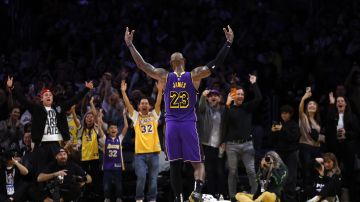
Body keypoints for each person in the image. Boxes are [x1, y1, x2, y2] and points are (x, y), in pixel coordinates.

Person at [124, 25, 234, 202]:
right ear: (183, 61)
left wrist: (130, 45)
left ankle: (185, 195)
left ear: (173, 61)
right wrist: (228, 43)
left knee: (179, 163)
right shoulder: (194, 75)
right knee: (192, 163)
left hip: (176, 125)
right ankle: (186, 195)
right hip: (183, 124)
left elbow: (142, 65)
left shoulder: (165, 76)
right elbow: (215, 63)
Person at [6, 76, 94, 175]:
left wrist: (86, 89)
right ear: (41, 99)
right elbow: (23, 101)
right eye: (46, 95)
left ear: (52, 98)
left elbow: (74, 100)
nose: (48, 96)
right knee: (40, 170)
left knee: (58, 169)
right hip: (41, 145)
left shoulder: (59, 108)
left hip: (55, 144)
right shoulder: (36, 109)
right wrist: (12, 88)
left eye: (50, 95)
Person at [121, 80, 163, 202]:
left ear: (149, 106)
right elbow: (128, 105)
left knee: (153, 178)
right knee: (141, 178)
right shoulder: (135, 117)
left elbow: (158, 104)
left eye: (146, 103)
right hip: (140, 154)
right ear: (139, 106)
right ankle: (139, 198)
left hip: (154, 153)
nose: (144, 104)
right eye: (142, 103)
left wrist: (160, 90)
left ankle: (152, 199)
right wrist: (123, 92)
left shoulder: (154, 116)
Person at [221, 75, 262, 197]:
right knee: (232, 172)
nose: (240, 96)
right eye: (238, 94)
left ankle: (255, 196)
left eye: (242, 94)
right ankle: (232, 197)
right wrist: (227, 105)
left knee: (251, 172)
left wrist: (254, 83)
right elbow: (223, 123)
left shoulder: (247, 107)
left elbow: (259, 98)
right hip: (232, 146)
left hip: (247, 145)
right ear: (233, 96)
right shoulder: (228, 109)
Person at [326, 92, 359, 201]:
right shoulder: (333, 116)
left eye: (342, 101)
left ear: (345, 104)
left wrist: (346, 134)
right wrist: (331, 104)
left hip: (348, 148)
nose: (339, 102)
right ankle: (334, 198)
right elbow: (328, 122)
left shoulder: (352, 117)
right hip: (336, 148)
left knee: (350, 173)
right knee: (334, 172)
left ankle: (352, 198)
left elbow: (357, 133)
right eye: (338, 101)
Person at [197, 89, 226, 199]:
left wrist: (225, 141)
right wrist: (202, 97)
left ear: (220, 98)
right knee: (209, 171)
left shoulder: (224, 110)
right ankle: (212, 195)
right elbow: (200, 107)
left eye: (216, 95)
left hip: (220, 146)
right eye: (210, 96)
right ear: (208, 99)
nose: (213, 97)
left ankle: (222, 193)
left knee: (220, 171)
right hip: (207, 145)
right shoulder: (205, 110)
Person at [270, 105, 300, 202]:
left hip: (291, 154)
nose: (284, 115)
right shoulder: (279, 124)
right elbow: (272, 141)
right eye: (282, 113)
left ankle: (290, 199)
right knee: (278, 177)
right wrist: (273, 132)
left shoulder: (294, 125)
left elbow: (293, 138)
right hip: (280, 155)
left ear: (290, 114)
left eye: (286, 113)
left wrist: (282, 129)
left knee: (290, 178)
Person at [298, 87, 325, 196]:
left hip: (317, 149)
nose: (312, 106)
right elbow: (300, 108)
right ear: (306, 107)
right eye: (310, 104)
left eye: (314, 104)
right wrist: (304, 98)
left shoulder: (318, 121)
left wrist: (321, 138)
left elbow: (322, 137)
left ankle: (315, 196)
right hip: (306, 147)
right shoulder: (303, 117)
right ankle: (306, 196)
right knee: (307, 173)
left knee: (316, 173)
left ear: (317, 108)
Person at [98, 109, 128, 202]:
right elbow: (99, 128)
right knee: (106, 185)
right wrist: (100, 116)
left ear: (117, 130)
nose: (113, 129)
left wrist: (124, 115)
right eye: (111, 128)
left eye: (115, 128)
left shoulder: (119, 138)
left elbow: (126, 126)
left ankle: (119, 198)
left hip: (118, 167)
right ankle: (107, 198)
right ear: (108, 131)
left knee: (118, 185)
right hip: (107, 167)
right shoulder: (105, 140)